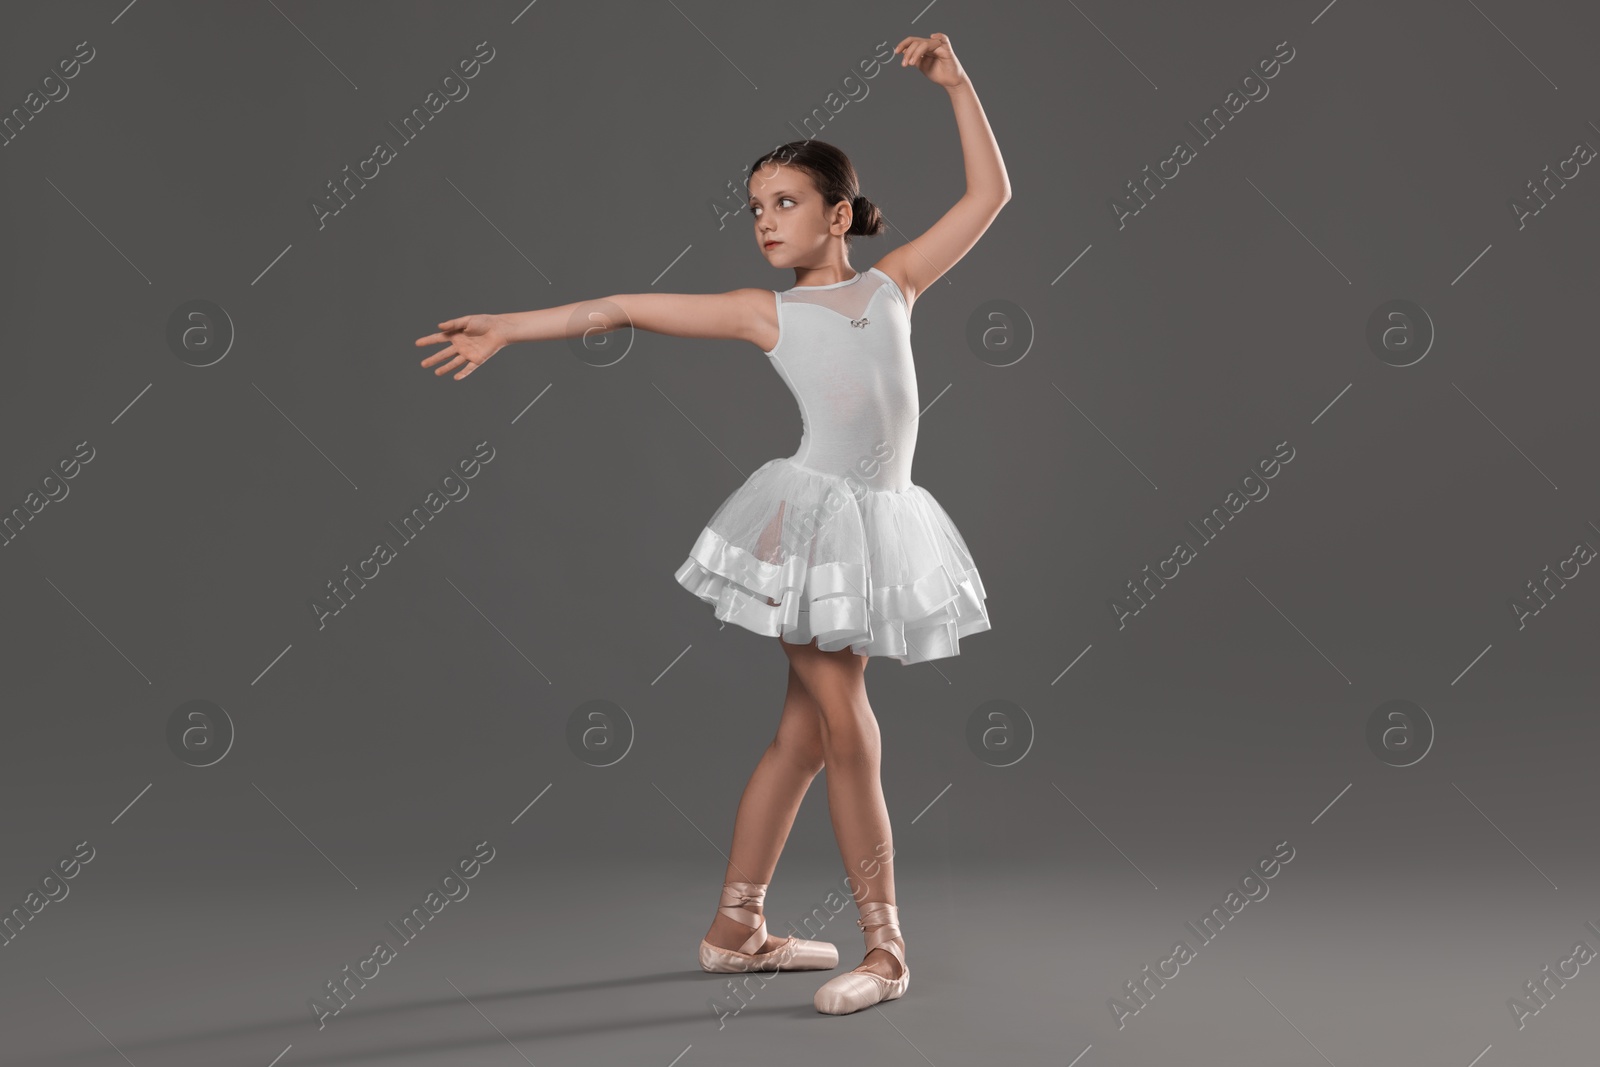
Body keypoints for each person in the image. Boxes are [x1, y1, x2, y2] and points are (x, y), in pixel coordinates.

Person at [415, 32, 1010, 1015]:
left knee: (803, 738)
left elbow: (989, 196)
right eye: (754, 210)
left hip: (877, 521)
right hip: (815, 527)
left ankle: (736, 927)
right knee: (849, 732)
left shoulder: (893, 283)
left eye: (785, 203)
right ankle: (886, 945)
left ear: (842, 213)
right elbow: (621, 305)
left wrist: (958, 86)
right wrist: (511, 326)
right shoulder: (761, 313)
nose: (765, 222)